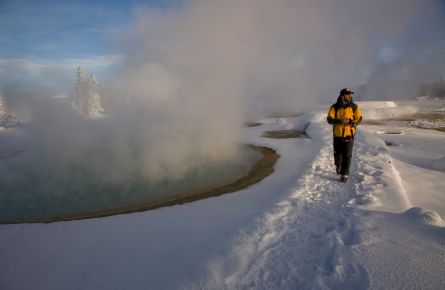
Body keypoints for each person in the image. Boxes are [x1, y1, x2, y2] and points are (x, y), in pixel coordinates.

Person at [327, 88, 362, 182]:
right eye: (348, 94)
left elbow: (359, 118)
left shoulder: (354, 107)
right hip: (337, 135)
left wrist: (352, 123)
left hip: (349, 135)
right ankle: (338, 166)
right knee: (337, 154)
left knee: (347, 155)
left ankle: (344, 174)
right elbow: (329, 119)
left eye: (350, 94)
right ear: (342, 95)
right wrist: (340, 121)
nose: (350, 96)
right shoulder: (334, 107)